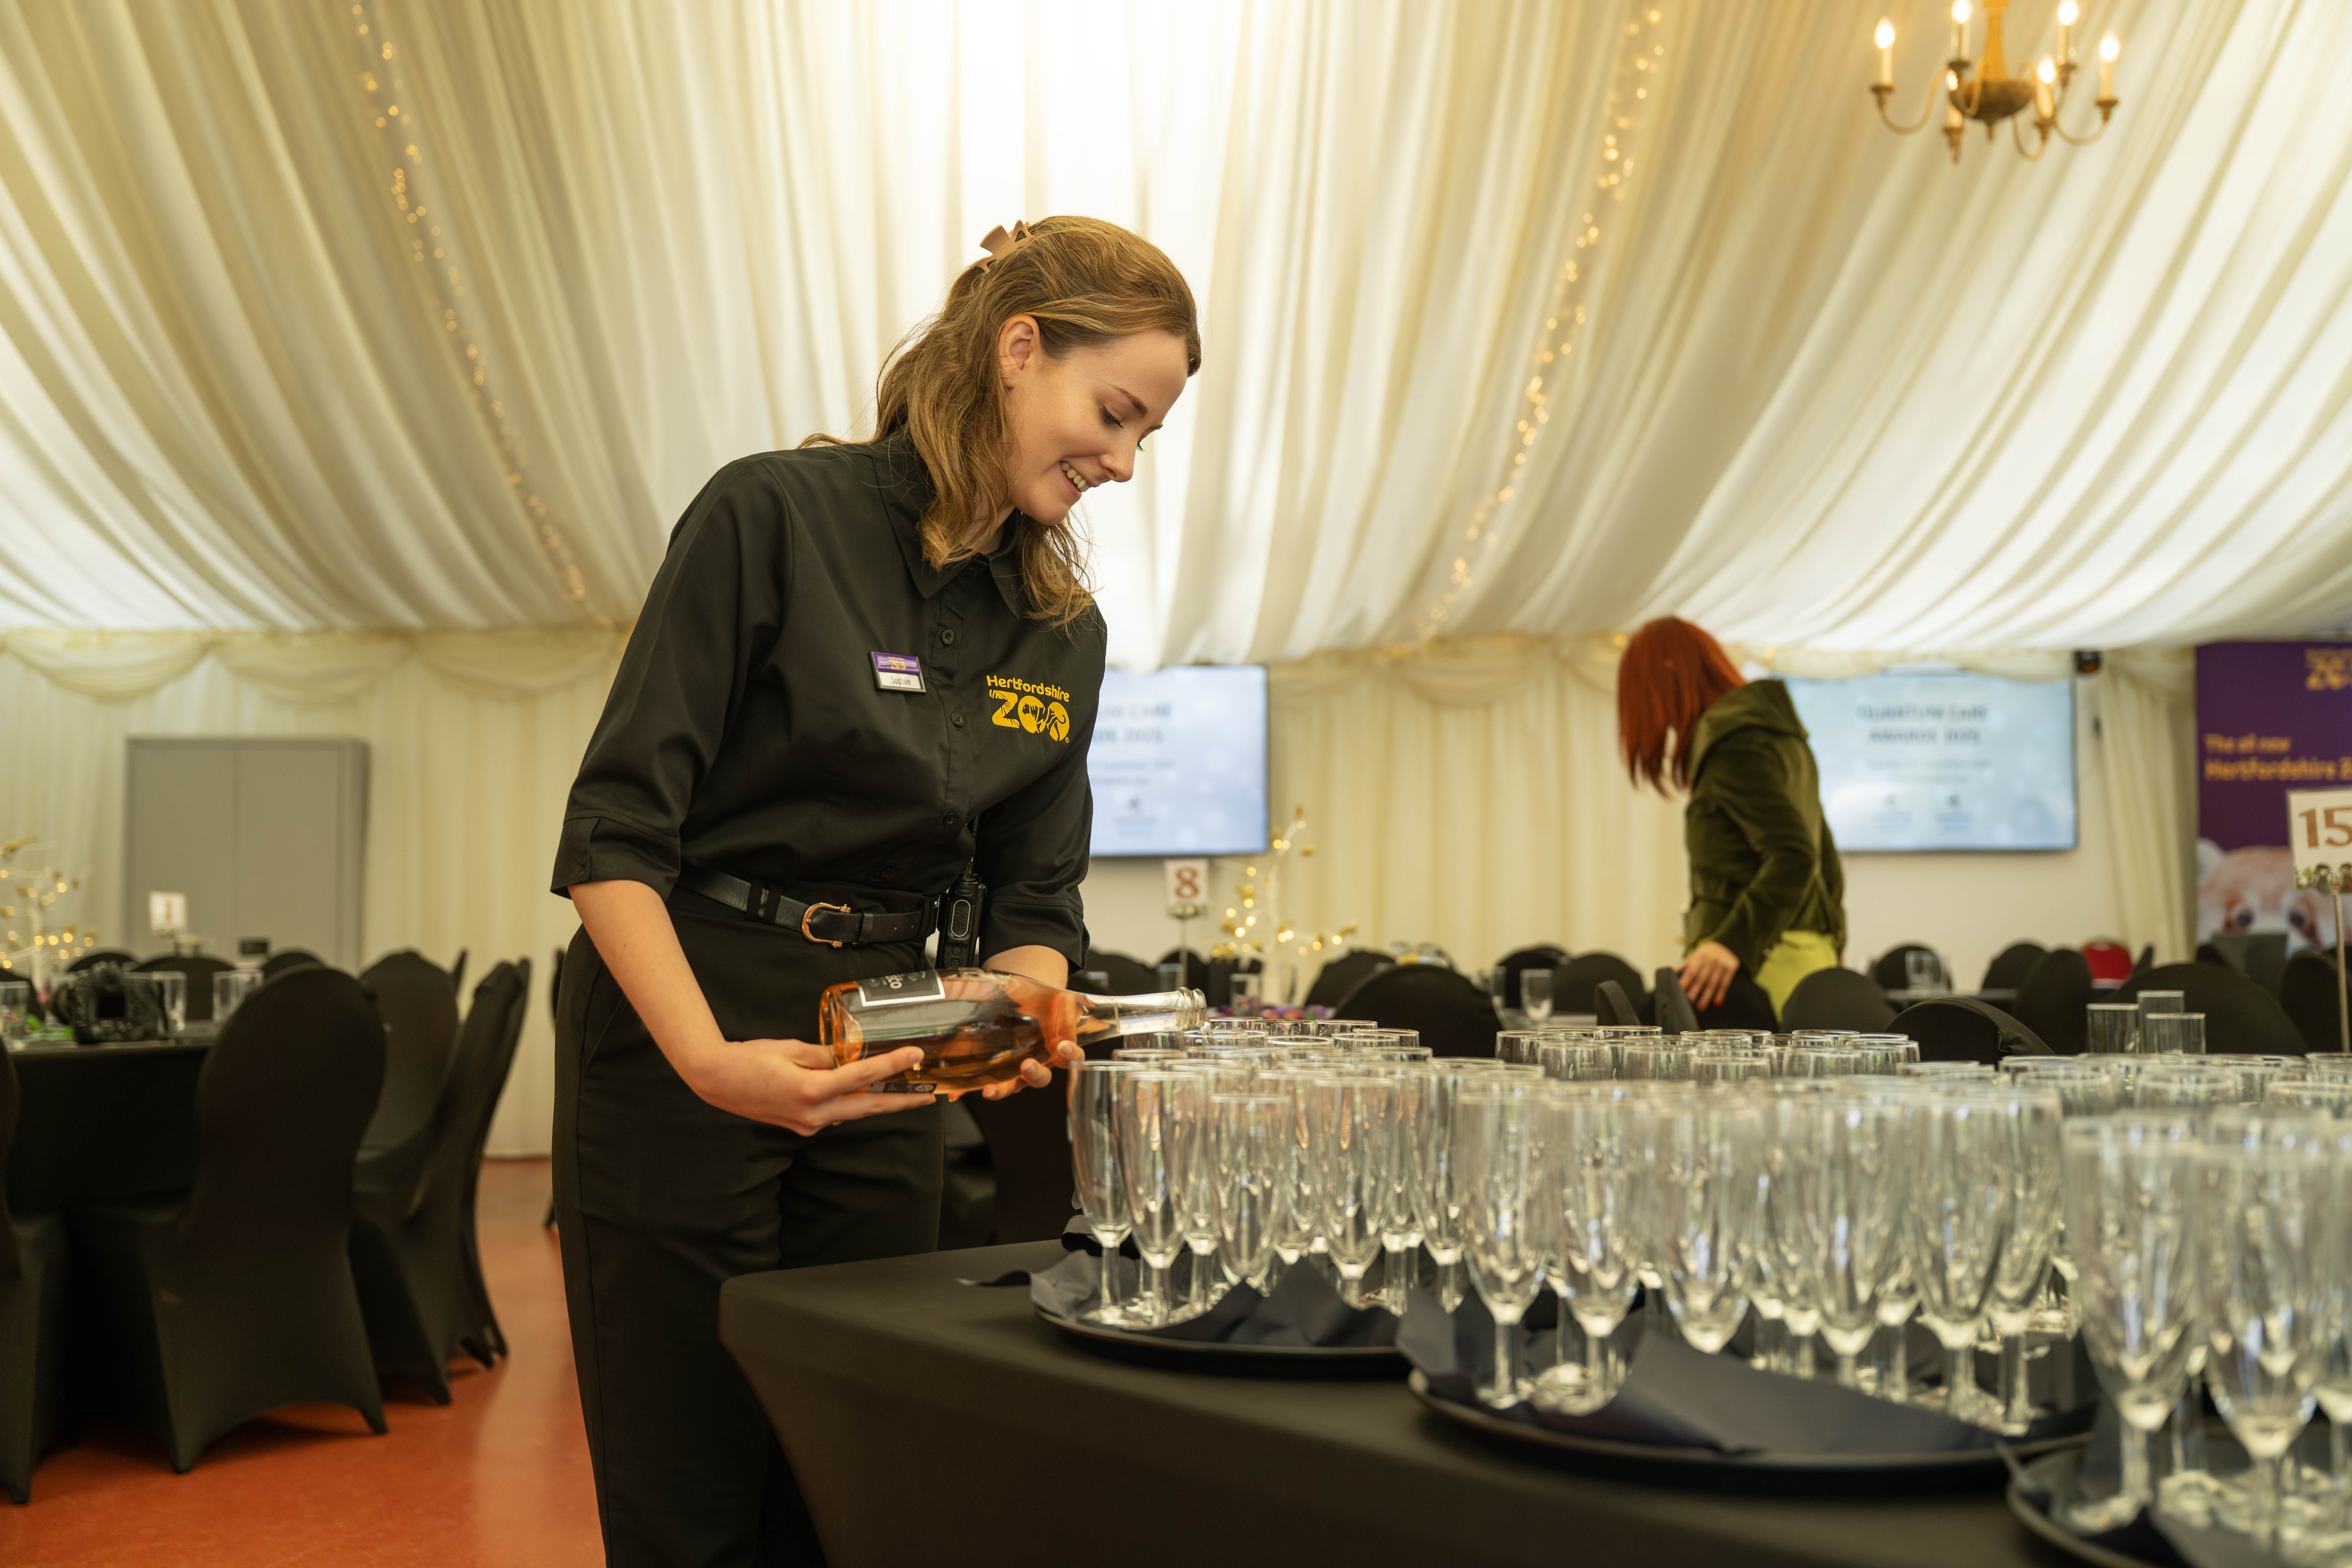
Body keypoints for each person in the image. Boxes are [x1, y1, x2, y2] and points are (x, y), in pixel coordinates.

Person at [549, 216, 1199, 1567]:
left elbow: (1037, 909)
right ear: (1019, 350)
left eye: (1148, 436)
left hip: (889, 1050)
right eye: (1113, 413)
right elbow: (613, 835)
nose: (1124, 463)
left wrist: (1007, 1017)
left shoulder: (1060, 631)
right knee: (690, 1481)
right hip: (687, 1021)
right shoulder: (771, 518)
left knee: (850, 1469)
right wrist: (712, 1063)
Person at [1616, 616, 1845, 1017]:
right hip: (1807, 958)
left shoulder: (1733, 742)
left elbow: (1795, 855)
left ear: (1669, 677)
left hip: (1758, 968)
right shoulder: (1782, 737)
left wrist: (1730, 943)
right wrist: (1835, 945)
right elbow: (1823, 856)